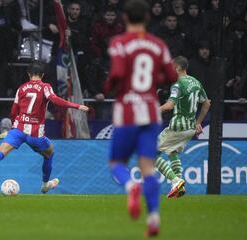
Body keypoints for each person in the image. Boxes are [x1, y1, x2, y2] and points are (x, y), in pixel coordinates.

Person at [104, 0, 178, 237]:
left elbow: (116, 74)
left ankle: (130, 186)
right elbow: (169, 75)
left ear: (125, 18)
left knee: (116, 164)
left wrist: (108, 88)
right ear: (147, 18)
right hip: (150, 112)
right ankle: (154, 219)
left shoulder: (119, 43)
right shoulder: (158, 45)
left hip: (127, 113)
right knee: (148, 169)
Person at [0, 62, 89, 193]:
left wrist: (15, 126)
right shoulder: (45, 87)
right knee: (49, 154)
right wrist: (76, 106)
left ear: (28, 74)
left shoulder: (22, 88)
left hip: (18, 128)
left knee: (1, 151)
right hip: (35, 133)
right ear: (42, 75)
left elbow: (13, 111)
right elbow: (54, 99)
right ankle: (45, 184)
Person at [156, 56, 210, 198]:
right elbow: (206, 104)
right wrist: (198, 122)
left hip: (178, 126)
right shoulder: (196, 82)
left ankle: (176, 181)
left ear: (178, 68)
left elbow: (169, 106)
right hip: (190, 128)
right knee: (172, 152)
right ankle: (178, 189)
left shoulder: (178, 84)